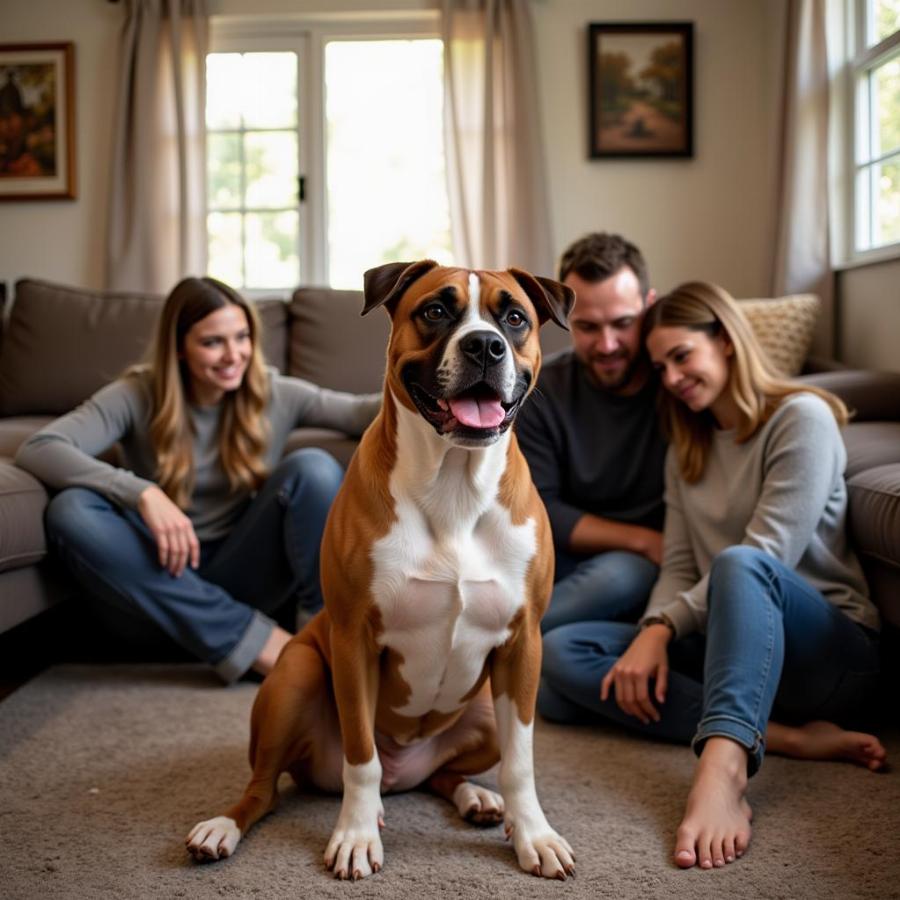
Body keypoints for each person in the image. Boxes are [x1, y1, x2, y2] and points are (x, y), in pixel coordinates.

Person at [539, 281, 886, 870]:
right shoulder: (688, 443)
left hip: (828, 656)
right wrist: (654, 626)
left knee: (740, 563)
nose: (671, 378)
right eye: (659, 366)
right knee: (563, 653)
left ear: (726, 342)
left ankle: (723, 767)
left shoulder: (801, 419)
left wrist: (660, 632)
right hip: (730, 645)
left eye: (682, 357)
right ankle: (789, 737)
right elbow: (676, 562)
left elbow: (766, 554)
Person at [16, 276, 380, 684]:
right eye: (213, 342)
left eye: (241, 337)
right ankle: (261, 645)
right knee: (70, 509)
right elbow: (40, 445)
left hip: (243, 573)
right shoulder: (137, 393)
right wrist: (143, 494)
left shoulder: (275, 391)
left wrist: (433, 382)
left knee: (312, 466)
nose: (233, 355)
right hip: (155, 580)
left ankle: (324, 638)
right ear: (178, 347)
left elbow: (359, 412)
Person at [516, 232, 667, 634]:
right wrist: (647, 541)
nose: (607, 344)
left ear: (649, 308)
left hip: (634, 570)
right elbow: (540, 504)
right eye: (587, 327)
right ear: (565, 318)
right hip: (554, 554)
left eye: (623, 323)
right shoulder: (542, 388)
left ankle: (506, 653)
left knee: (624, 574)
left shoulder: (678, 382)